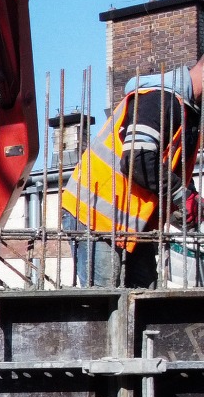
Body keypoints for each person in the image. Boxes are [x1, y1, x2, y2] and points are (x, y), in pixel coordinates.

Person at [60, 55, 202, 288]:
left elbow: (169, 170)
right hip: (96, 217)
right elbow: (138, 160)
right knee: (108, 305)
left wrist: (189, 200)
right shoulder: (160, 99)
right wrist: (181, 195)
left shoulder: (188, 114)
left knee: (144, 300)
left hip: (132, 225)